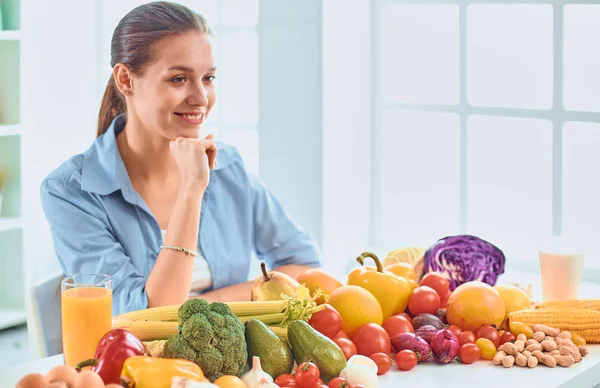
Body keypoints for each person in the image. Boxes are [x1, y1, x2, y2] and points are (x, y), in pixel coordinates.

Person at [40, 1, 322, 316]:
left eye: (208, 78)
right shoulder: (71, 191)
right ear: (125, 80)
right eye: (178, 79)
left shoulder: (228, 166)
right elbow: (140, 317)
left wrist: (199, 307)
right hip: (137, 365)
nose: (201, 98)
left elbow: (307, 270)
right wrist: (192, 190)